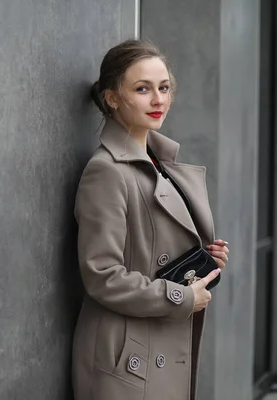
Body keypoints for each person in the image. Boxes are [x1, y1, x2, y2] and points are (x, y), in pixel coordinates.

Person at [71, 39, 230, 400]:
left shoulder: (158, 162)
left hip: (150, 344)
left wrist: (199, 260)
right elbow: (102, 275)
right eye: (142, 89)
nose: (158, 100)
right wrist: (181, 296)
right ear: (112, 98)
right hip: (129, 359)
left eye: (164, 87)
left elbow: (150, 246)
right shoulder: (107, 171)